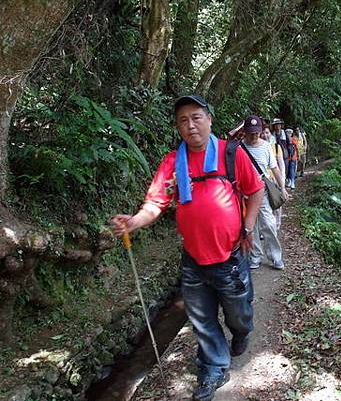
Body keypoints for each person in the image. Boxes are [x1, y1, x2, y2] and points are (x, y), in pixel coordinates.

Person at [111, 95, 264, 401]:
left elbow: (255, 190)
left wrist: (247, 226)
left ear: (209, 120)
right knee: (202, 320)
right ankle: (213, 368)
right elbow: (156, 203)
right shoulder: (172, 163)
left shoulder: (230, 153)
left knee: (239, 315)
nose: (190, 125)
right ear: (178, 128)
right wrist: (134, 222)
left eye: (196, 117)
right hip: (193, 259)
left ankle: (242, 332)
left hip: (230, 256)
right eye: (183, 120)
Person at [242, 115, 288, 270]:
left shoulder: (267, 146)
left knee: (268, 223)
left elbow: (274, 168)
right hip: (245, 193)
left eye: (257, 133)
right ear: (245, 132)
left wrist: (282, 187)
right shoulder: (239, 148)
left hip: (262, 191)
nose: (254, 136)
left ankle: (275, 257)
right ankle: (255, 256)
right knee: (251, 227)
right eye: (251, 133)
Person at [261, 124, 286, 230]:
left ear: (270, 134)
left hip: (274, 180)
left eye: (267, 132)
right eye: (263, 133)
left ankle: (276, 226)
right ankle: (269, 228)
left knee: (276, 204)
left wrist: (282, 183)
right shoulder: (256, 148)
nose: (265, 135)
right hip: (263, 182)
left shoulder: (276, 147)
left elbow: (281, 165)